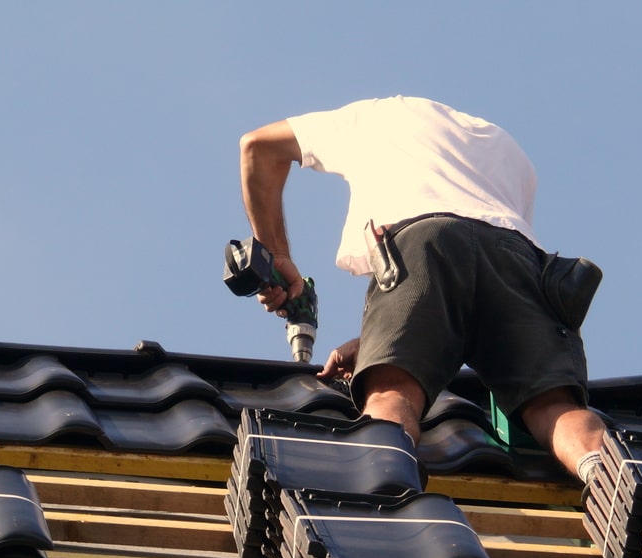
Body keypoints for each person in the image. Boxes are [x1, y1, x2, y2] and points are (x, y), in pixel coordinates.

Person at [238, 96, 604, 483]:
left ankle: (383, 485)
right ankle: (607, 476)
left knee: (392, 392)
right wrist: (374, 341)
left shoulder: (375, 116)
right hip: (518, 256)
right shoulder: (508, 150)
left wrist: (277, 255)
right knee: (554, 408)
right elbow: (475, 295)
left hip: (421, 240)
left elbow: (257, 147)